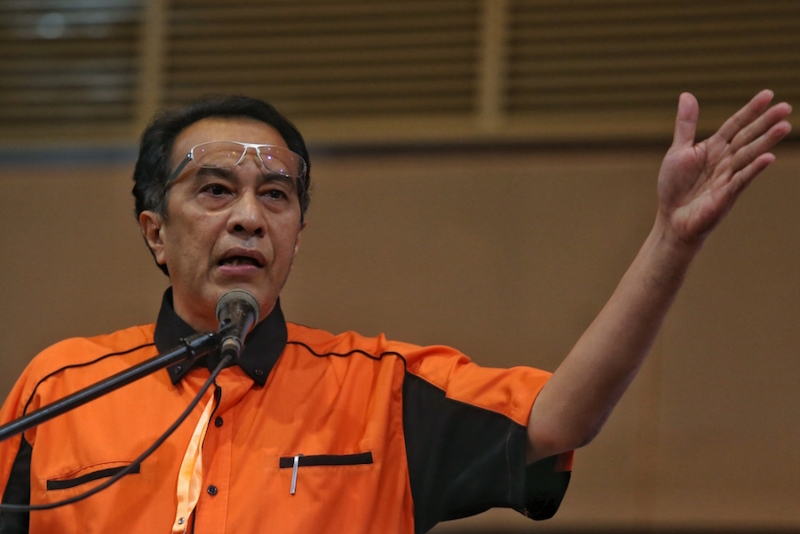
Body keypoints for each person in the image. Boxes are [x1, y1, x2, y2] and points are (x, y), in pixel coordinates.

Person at [0, 90, 791, 534]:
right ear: (155, 232)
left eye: (275, 196)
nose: (248, 218)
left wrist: (670, 243)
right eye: (215, 191)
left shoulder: (381, 392)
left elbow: (562, 418)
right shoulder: (60, 390)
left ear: (297, 234)